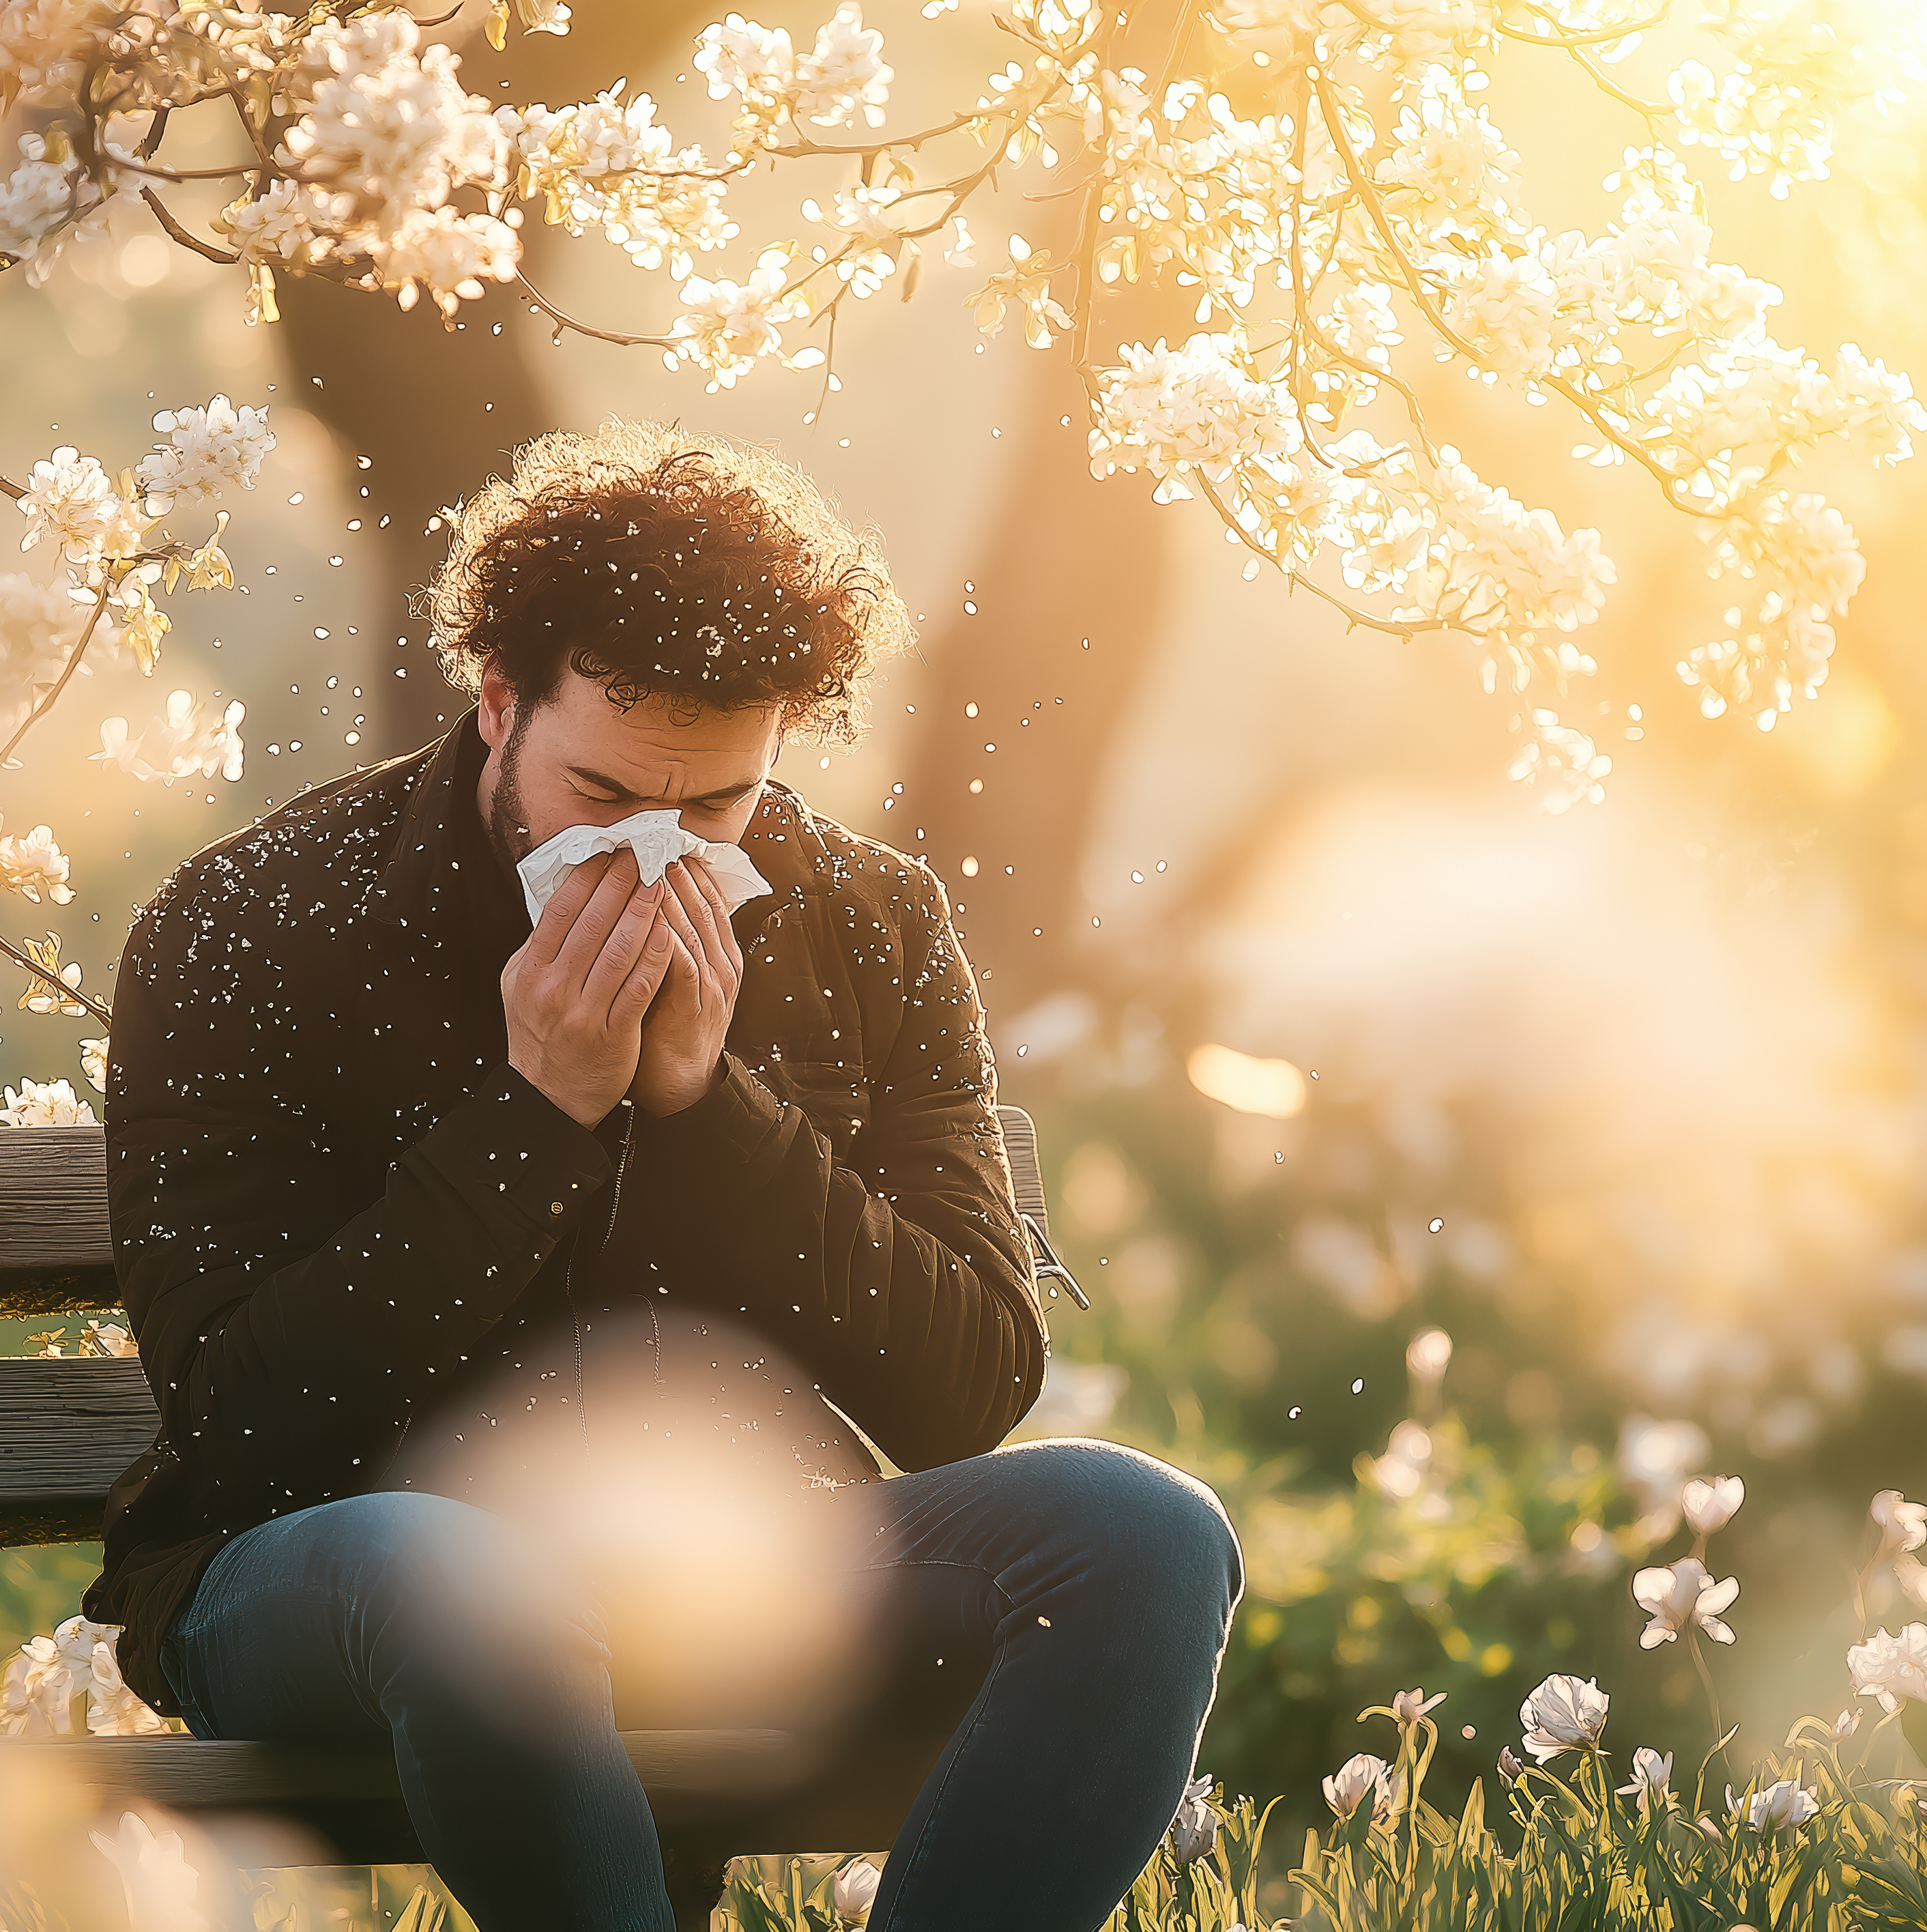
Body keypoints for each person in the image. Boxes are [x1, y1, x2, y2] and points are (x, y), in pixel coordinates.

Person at [83, 421, 1243, 1931]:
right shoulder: (257, 922)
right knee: (461, 1575)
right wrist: (536, 1119)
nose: (652, 853)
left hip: (744, 1557)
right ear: (498, 702)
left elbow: (964, 1390)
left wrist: (709, 1112)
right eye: (605, 793)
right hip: (350, 1571)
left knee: (1146, 1537)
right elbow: (246, 1426)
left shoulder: (868, 922)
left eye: (713, 810)